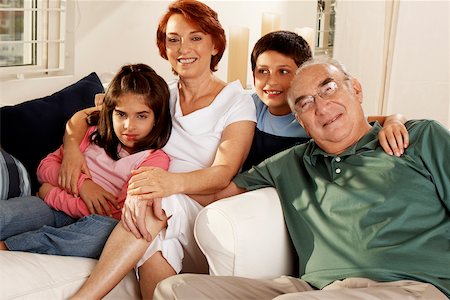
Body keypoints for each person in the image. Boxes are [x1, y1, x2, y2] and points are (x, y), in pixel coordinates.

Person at [153, 56, 450, 299]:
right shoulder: (290, 163)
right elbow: (217, 193)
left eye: (329, 89)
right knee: (176, 290)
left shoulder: (419, 138)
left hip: (412, 287)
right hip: (314, 289)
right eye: (305, 103)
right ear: (301, 122)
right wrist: (156, 189)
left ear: (356, 90)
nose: (321, 107)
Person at [63, 0, 256, 298]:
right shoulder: (160, 93)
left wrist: (166, 184)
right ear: (164, 47)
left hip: (199, 215)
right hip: (154, 206)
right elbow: (87, 116)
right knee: (155, 246)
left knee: (163, 202)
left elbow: (222, 173)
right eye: (173, 40)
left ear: (215, 45)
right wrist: (72, 149)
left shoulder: (236, 101)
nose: (183, 49)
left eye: (196, 38)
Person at [0, 63, 172, 258]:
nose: (128, 126)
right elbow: (44, 168)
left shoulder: (154, 160)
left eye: (141, 116)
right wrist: (83, 185)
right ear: (110, 112)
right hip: (52, 209)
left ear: (157, 118)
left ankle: (10, 247)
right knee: (10, 214)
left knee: (105, 234)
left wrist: (51, 193)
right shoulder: (92, 135)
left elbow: (112, 213)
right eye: (121, 114)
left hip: (94, 223)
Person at [242, 30, 408, 171]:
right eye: (263, 71)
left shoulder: (317, 117)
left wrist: (395, 122)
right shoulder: (251, 106)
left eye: (283, 72)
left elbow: (384, 119)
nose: (271, 82)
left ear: (302, 75)